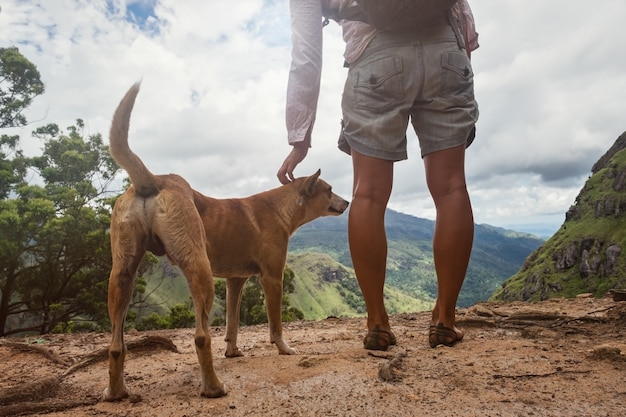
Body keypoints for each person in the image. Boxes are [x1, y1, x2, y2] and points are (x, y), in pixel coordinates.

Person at [277, 0, 479, 350]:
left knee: (368, 194)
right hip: (445, 49)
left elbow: (306, 54)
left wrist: (300, 137)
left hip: (373, 61)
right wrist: (459, 58)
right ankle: (445, 320)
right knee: (451, 189)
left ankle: (376, 323)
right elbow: (462, 13)